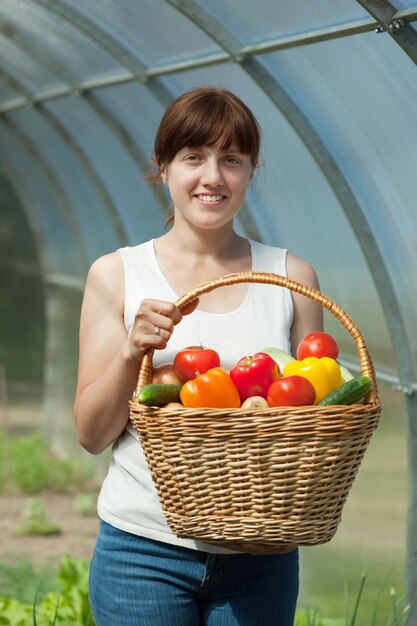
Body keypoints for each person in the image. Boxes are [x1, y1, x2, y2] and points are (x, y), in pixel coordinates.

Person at [74, 86, 323, 626]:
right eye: (193, 157)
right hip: (142, 550)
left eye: (231, 159)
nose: (212, 177)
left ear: (251, 171)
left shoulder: (292, 278)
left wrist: (280, 522)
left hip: (260, 560)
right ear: (163, 168)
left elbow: (308, 428)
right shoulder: (117, 275)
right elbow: (93, 436)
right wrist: (129, 351)